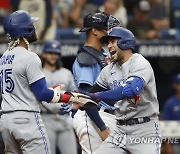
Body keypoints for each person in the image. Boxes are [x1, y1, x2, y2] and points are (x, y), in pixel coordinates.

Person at [0, 10, 83, 154]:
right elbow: (42, 94)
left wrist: (52, 90)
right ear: (27, 30)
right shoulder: (30, 57)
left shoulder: (4, 57)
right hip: (26, 119)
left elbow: (26, 88)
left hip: (6, 120)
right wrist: (65, 95)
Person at [82, 27, 161, 154]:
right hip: (120, 130)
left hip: (145, 129)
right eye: (108, 43)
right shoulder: (108, 70)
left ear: (125, 43)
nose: (109, 46)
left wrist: (97, 96)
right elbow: (91, 94)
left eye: (113, 41)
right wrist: (73, 100)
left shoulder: (139, 62)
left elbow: (130, 90)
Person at [72, 11, 121, 154]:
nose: (109, 32)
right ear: (94, 31)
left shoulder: (102, 54)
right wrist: (102, 127)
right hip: (93, 117)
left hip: (107, 115)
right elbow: (85, 97)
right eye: (106, 29)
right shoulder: (86, 58)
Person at [40, 40, 77, 154]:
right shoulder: (38, 72)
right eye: (50, 53)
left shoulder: (66, 73)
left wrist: (73, 111)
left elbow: (74, 94)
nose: (53, 56)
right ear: (44, 54)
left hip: (64, 118)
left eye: (56, 53)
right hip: (45, 118)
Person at [163, 73, 180, 154]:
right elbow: (166, 125)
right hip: (176, 142)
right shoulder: (170, 103)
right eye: (178, 84)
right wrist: (167, 145)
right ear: (175, 85)